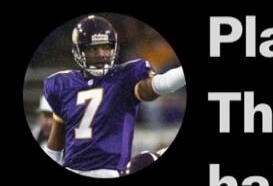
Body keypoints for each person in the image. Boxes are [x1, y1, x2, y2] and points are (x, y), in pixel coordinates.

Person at [42, 16, 185, 177]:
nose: (101, 54)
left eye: (106, 47)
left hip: (110, 172)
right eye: (93, 48)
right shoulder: (62, 84)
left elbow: (156, 85)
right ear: (79, 50)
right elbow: (55, 145)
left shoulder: (124, 77)